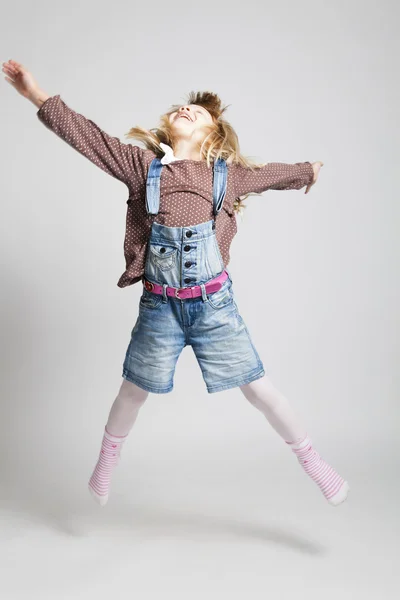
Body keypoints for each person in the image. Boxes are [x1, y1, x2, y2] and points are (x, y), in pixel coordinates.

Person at [3, 58, 349, 509]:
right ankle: (107, 460)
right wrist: (35, 93)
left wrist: (310, 169)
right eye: (183, 107)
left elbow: (275, 174)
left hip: (215, 308)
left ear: (214, 135)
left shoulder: (227, 176)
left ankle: (313, 462)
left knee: (259, 389)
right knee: (132, 390)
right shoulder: (140, 165)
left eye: (199, 113)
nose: (187, 110)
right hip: (160, 307)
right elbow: (86, 135)